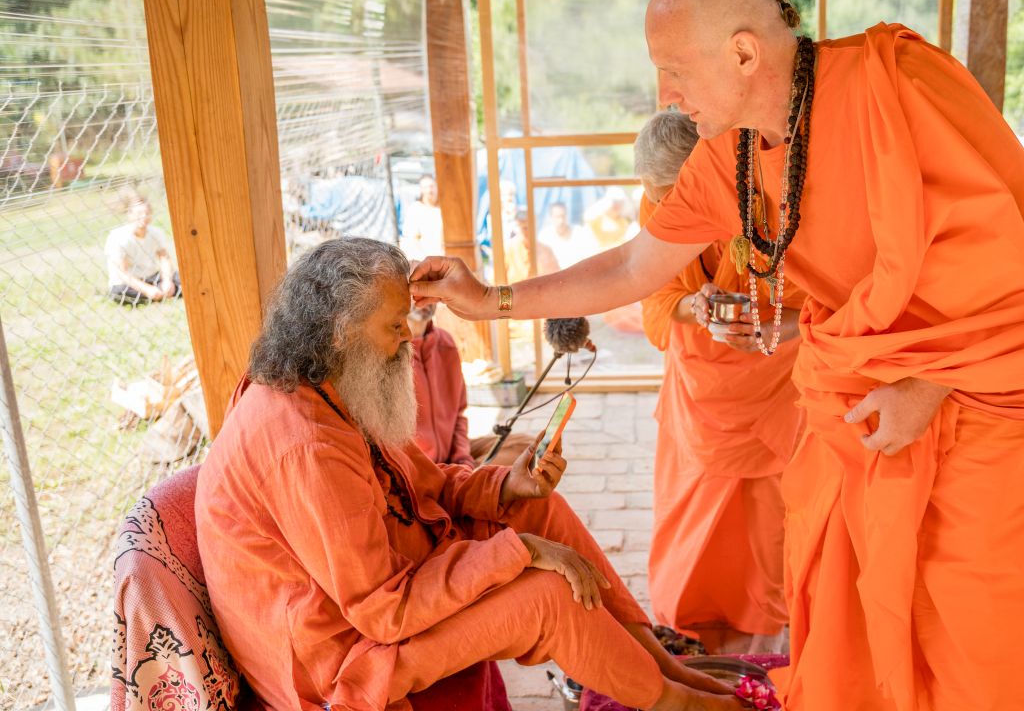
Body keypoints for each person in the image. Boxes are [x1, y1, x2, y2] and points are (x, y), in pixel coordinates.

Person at [411, 0, 1024, 710]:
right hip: (867, 412)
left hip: (986, 405)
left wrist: (930, 382)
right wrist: (489, 297)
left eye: (673, 69)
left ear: (742, 51)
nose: (665, 94)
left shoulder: (898, 88)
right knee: (856, 617)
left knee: (970, 646)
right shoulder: (727, 157)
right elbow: (635, 264)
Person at [195, 238, 739, 711]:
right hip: (342, 660)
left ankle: (661, 666)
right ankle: (675, 702)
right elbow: (383, 610)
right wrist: (516, 553)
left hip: (388, 584)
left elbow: (425, 486)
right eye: (393, 326)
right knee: (545, 595)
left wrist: (506, 486)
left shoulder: (332, 383)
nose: (409, 338)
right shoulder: (305, 445)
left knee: (535, 507)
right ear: (339, 331)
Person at [636, 111, 804, 654]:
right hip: (697, 396)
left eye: (669, 194)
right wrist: (692, 305)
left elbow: (822, 301)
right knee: (687, 519)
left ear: (706, 177)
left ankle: (764, 642)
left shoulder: (772, 204)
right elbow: (653, 296)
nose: (661, 208)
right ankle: (686, 627)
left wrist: (771, 323)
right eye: (654, 195)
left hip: (773, 385)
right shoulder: (656, 205)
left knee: (763, 528)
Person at [408, 302, 534, 467]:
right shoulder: (390, 352)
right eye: (414, 287)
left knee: (529, 448)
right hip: (418, 470)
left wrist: (462, 459)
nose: (422, 299)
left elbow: (459, 414)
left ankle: (466, 480)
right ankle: (469, 482)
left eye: (429, 284)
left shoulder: (445, 342)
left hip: (452, 458)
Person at [105, 190, 181, 305]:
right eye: (138, 214)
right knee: (119, 293)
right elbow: (122, 273)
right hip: (128, 283)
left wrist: (167, 281)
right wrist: (146, 289)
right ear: (129, 214)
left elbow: (164, 258)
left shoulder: (156, 233)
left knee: (182, 278)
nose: (143, 217)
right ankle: (155, 295)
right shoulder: (118, 237)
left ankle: (160, 293)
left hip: (151, 277)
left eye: (147, 213)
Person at [401, 173, 444, 259]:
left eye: (432, 186)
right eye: (425, 187)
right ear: (421, 190)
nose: (429, 190)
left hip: (442, 259)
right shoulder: (415, 209)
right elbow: (410, 239)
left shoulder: (443, 209)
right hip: (422, 260)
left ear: (436, 187)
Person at [541, 201, 593, 267]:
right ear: (551, 217)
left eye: (563, 216)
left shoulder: (579, 232)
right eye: (557, 217)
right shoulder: (544, 237)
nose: (561, 220)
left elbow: (589, 258)